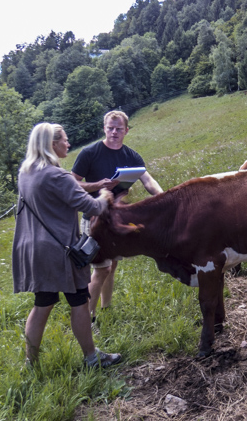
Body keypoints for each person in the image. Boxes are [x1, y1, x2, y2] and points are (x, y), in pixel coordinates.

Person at [12, 123, 121, 368]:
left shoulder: (26, 172)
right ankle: (92, 358)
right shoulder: (56, 175)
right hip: (60, 251)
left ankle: (31, 363)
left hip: (35, 251)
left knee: (42, 304)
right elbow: (92, 207)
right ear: (52, 144)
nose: (68, 144)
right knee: (79, 302)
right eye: (65, 140)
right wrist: (104, 193)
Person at [71, 110, 163, 327]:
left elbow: (148, 180)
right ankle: (89, 318)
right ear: (104, 129)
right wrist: (97, 186)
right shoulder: (89, 153)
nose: (114, 132)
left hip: (116, 221)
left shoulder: (131, 156)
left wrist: (165, 199)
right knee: (101, 268)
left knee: (112, 265)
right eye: (110, 128)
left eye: (118, 129)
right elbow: (72, 182)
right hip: (94, 219)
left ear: (126, 131)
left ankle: (106, 308)